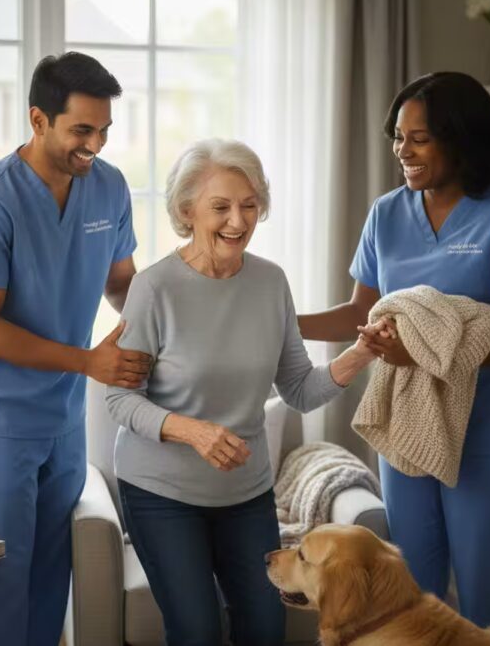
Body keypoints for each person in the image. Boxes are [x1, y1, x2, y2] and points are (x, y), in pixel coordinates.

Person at [298, 72, 490, 634]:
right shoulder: (386, 214)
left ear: (461, 138)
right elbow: (356, 316)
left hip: (488, 435)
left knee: (485, 599)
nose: (402, 151)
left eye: (419, 137)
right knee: (408, 596)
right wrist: (276, 322)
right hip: (407, 430)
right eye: (398, 136)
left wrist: (431, 352)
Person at [106, 138, 376, 646]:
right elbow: (119, 399)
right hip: (162, 494)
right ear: (187, 211)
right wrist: (193, 432)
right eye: (221, 207)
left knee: (264, 628)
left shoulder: (270, 283)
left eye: (249, 205)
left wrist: (359, 354)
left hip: (245, 494)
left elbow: (297, 389)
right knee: (198, 631)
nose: (238, 220)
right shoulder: (153, 289)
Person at [0, 52, 152, 646]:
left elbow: (122, 284)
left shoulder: (108, 187)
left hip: (62, 419)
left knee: (49, 576)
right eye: (81, 131)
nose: (95, 145)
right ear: (39, 120)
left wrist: (170, 318)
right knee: (1, 578)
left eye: (104, 130)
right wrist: (89, 362)